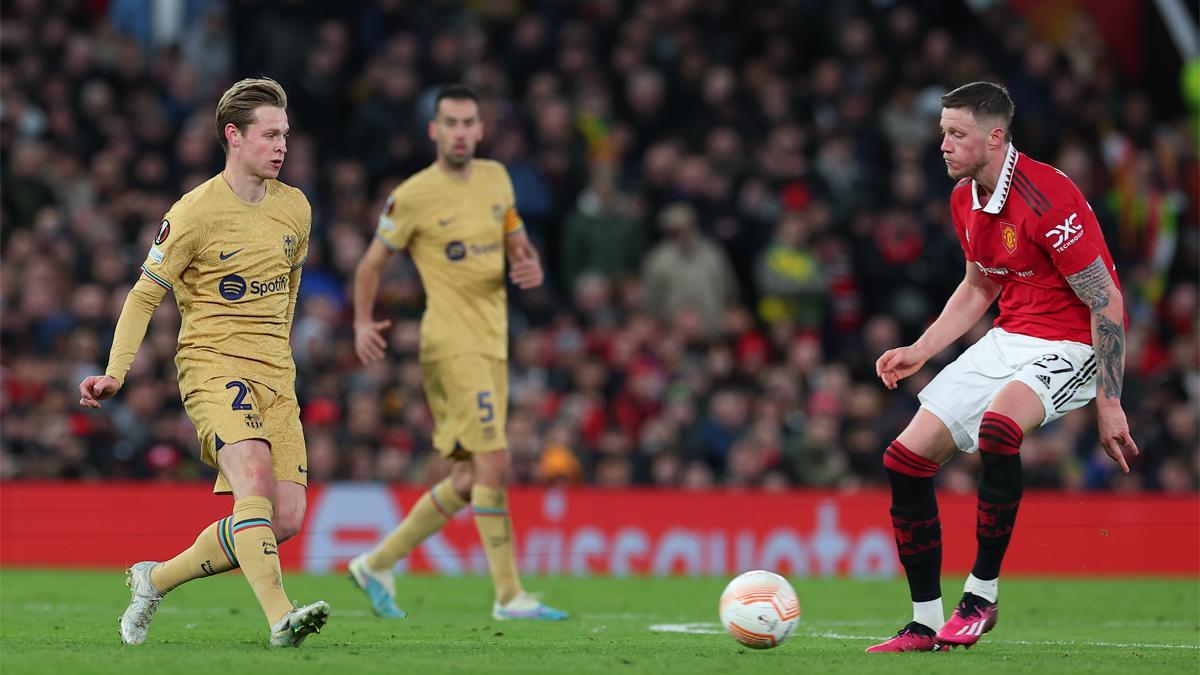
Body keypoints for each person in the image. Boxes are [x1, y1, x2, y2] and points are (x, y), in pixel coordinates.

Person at [867, 82, 1138, 652]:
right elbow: (978, 284)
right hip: (1009, 336)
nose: (942, 145)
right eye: (942, 132)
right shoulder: (965, 198)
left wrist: (1110, 403)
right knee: (904, 460)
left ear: (994, 137)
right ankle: (923, 622)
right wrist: (921, 349)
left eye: (955, 134)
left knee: (999, 428)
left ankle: (981, 597)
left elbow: (1105, 300)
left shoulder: (1048, 196)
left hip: (1072, 343)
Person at [77, 78, 329, 648]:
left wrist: (282, 356)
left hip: (276, 376)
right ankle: (281, 618)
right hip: (214, 365)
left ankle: (154, 577)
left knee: (283, 519)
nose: (281, 146)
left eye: (285, 135)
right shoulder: (194, 211)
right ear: (233, 136)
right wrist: (116, 370)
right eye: (269, 135)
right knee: (254, 485)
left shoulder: (296, 208)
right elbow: (146, 294)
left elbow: (289, 291)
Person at [348, 84, 567, 622]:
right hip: (451, 344)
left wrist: (526, 259)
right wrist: (360, 322)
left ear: (481, 128)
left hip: (493, 342)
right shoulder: (414, 194)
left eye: (470, 122)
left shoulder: (497, 177)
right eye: (451, 123)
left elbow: (512, 230)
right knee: (496, 462)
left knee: (471, 478)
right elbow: (370, 265)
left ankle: (377, 563)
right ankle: (510, 596)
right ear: (435, 131)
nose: (462, 132)